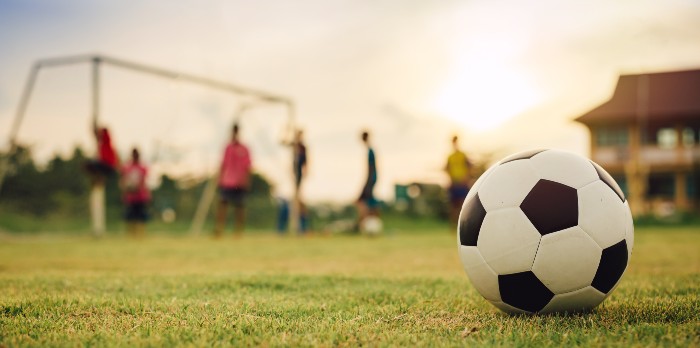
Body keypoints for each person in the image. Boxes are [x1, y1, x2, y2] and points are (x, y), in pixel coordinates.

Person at [215, 123, 252, 238]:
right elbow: (223, 164)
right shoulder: (227, 147)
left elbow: (248, 166)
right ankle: (219, 229)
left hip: (240, 182)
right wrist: (219, 179)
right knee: (223, 205)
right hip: (228, 181)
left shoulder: (245, 148)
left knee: (239, 207)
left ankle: (238, 231)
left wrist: (247, 180)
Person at [85, 123, 119, 235]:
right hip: (105, 164)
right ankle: (98, 179)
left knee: (91, 165)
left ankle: (99, 179)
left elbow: (98, 133)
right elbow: (95, 134)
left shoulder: (106, 138)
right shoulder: (100, 143)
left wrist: (95, 125)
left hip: (108, 164)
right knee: (89, 165)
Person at [120, 148, 150, 238]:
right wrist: (126, 189)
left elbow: (143, 181)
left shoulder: (143, 167)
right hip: (130, 197)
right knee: (130, 216)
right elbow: (123, 181)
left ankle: (140, 235)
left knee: (141, 216)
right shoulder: (126, 167)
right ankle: (131, 235)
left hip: (141, 196)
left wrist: (136, 188)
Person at [445, 135, 472, 229]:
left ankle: (464, 225)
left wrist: (466, 178)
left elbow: (469, 166)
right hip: (454, 184)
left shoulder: (462, 155)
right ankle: (453, 227)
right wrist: (450, 179)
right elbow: (446, 168)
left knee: (463, 205)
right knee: (453, 206)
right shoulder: (450, 156)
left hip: (462, 184)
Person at [356, 130, 378, 230]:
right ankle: (367, 224)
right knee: (368, 202)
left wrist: (367, 182)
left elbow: (371, 169)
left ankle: (364, 225)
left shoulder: (370, 151)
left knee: (362, 202)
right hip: (371, 179)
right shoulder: (370, 150)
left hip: (371, 179)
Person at [292, 129, 309, 233]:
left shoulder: (302, 147)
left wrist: (305, 172)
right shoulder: (293, 146)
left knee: (299, 200)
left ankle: (303, 226)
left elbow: (305, 163)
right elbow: (282, 141)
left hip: (299, 176)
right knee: (295, 200)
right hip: (292, 176)